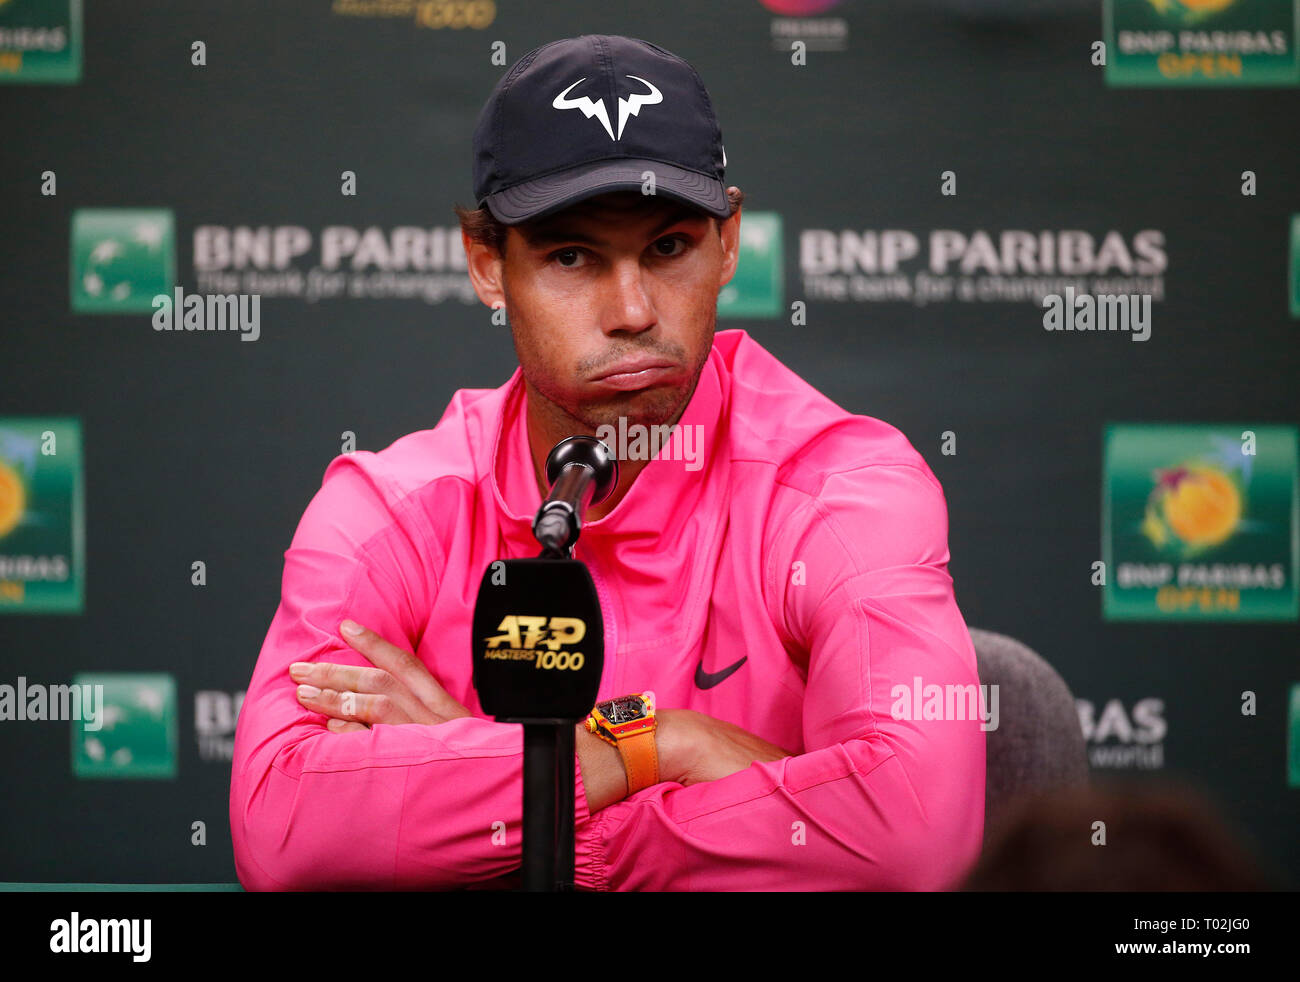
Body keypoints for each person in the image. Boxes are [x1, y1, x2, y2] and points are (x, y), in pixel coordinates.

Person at [229, 33, 985, 891]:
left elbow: (912, 838)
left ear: (728, 243)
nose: (631, 311)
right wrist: (663, 750)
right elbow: (283, 832)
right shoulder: (386, 513)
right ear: (487, 265)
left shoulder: (841, 488)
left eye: (668, 248)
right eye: (572, 256)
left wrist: (529, 821)